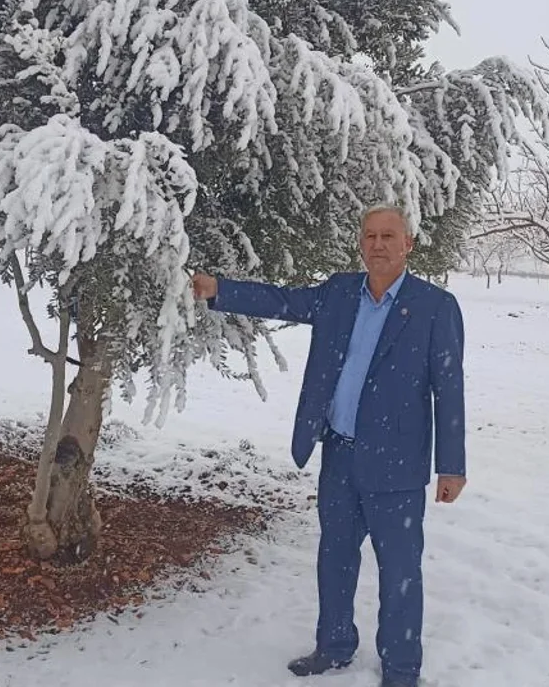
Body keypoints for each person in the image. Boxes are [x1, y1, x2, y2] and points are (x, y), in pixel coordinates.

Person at [190, 203, 466, 687]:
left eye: (388, 236)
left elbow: (449, 389)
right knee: (335, 559)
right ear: (360, 243)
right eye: (370, 236)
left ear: (408, 244)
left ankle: (401, 669)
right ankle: (334, 646)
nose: (377, 244)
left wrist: (452, 465)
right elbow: (283, 301)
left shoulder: (434, 307)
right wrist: (219, 290)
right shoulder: (339, 293)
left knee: (400, 572)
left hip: (397, 467)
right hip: (340, 455)